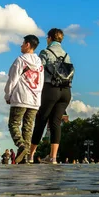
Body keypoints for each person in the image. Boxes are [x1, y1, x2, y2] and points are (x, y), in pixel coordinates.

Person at [30, 29, 72, 165]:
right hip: (66, 92)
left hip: (50, 89)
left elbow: (38, 70)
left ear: (49, 38)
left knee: (41, 120)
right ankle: (53, 157)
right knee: (56, 123)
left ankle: (30, 155)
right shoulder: (66, 55)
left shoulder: (45, 52)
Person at [5, 34, 44, 164]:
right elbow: (41, 83)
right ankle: (25, 158)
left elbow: (12, 79)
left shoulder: (20, 60)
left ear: (28, 45)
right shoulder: (40, 64)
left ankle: (21, 145)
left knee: (13, 124)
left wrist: (8, 95)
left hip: (20, 97)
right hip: (34, 100)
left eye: (22, 43)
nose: (21, 45)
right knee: (28, 128)